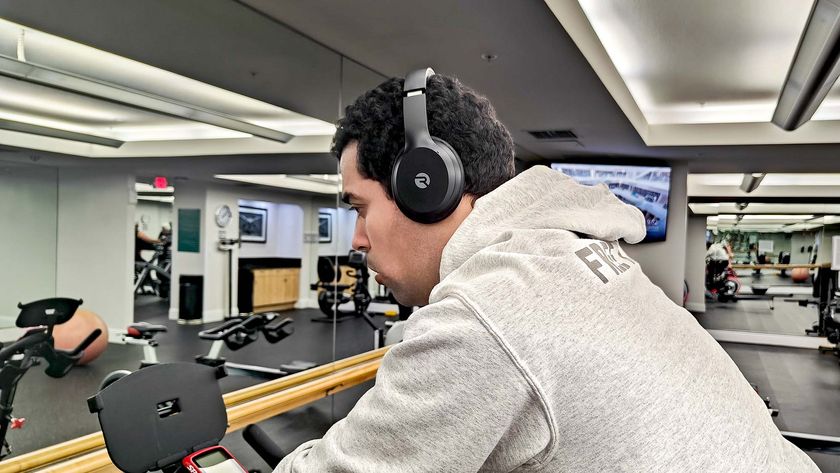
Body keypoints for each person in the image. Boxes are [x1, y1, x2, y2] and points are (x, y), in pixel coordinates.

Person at [275, 72, 818, 472]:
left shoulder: (484, 315)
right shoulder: (573, 253)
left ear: (425, 185)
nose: (357, 240)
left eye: (360, 208)